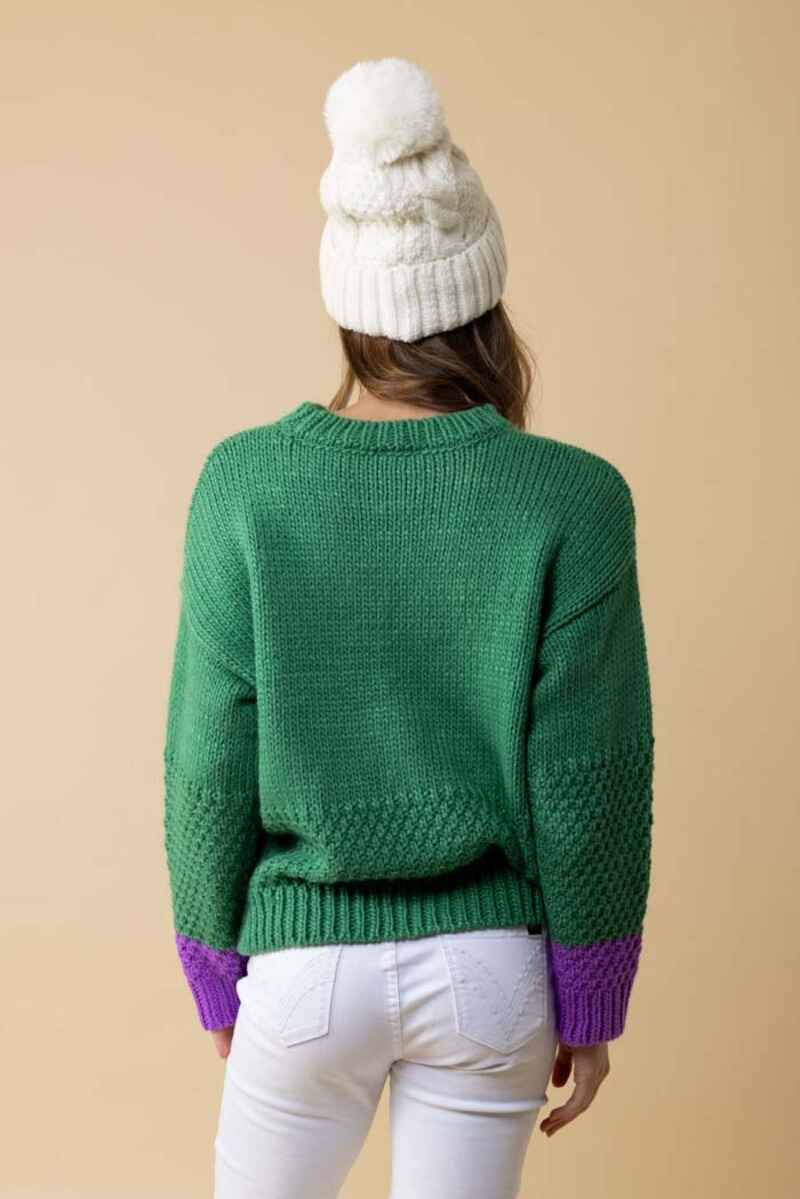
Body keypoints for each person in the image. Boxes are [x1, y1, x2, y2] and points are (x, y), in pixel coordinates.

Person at [162, 56, 655, 1199]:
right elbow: (587, 775)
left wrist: (212, 965)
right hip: (489, 974)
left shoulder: (244, 485)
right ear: (483, 296)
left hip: (303, 964)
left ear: (347, 303)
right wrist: (589, 996)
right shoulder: (573, 497)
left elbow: (207, 756)